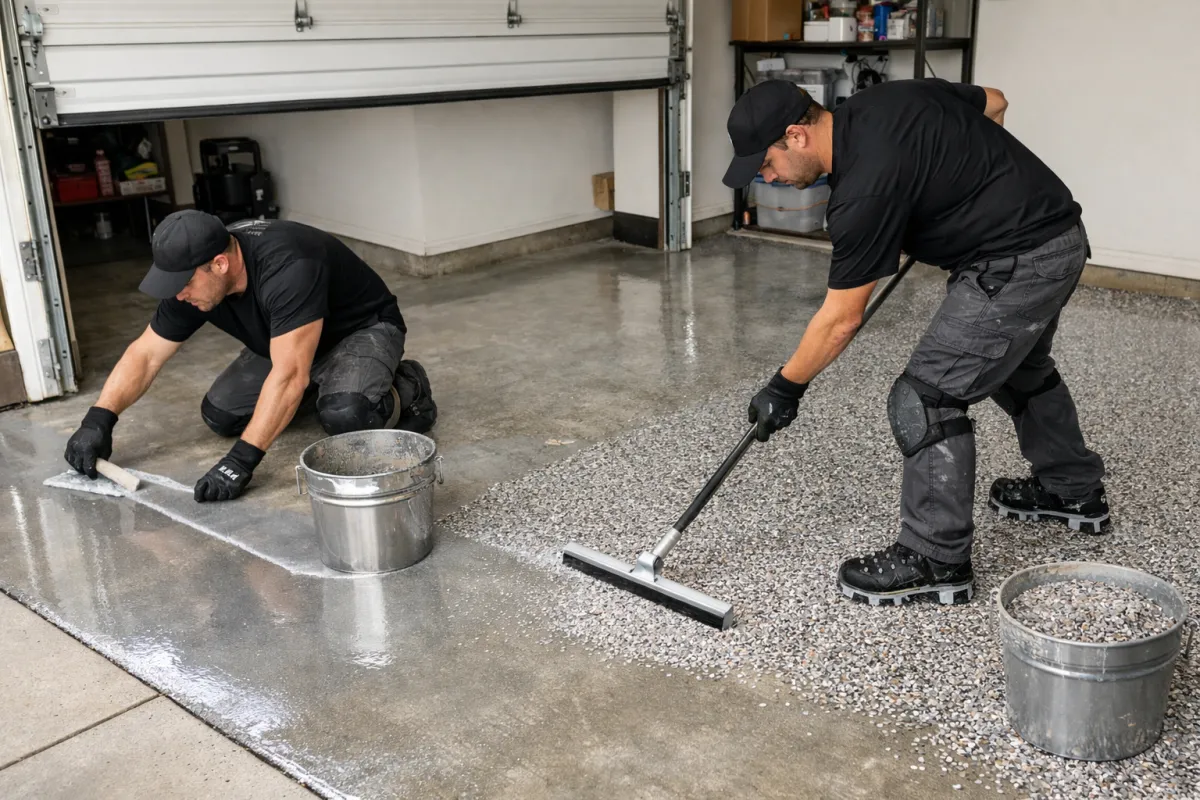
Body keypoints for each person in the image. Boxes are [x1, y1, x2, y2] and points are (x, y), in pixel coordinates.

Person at [722, 79, 1107, 605]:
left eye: (764, 163)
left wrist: (784, 387)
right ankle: (1071, 491)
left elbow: (841, 320)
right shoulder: (888, 99)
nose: (764, 177)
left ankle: (935, 557)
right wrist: (964, 183)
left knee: (924, 398)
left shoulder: (862, 193)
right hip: (1060, 234)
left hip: (1019, 261)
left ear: (796, 136)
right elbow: (994, 100)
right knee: (1020, 368)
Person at [64, 210, 437, 503]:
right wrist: (99, 419)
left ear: (220, 264)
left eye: (183, 284)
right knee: (222, 415)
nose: (177, 295)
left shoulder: (288, 266)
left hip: (361, 331)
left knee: (347, 416)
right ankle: (316, 387)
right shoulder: (195, 277)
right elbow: (145, 354)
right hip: (286, 342)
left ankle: (406, 388)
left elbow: (289, 375)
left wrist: (240, 462)